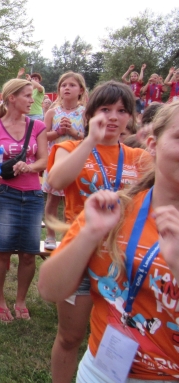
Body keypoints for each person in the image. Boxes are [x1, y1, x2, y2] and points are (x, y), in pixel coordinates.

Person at [39, 101, 179, 382]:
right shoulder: (114, 211)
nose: (113, 117)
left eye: (122, 111)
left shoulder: (133, 157)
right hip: (103, 370)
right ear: (153, 144)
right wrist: (89, 234)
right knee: (69, 337)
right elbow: (49, 289)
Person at [0, 78, 47, 322]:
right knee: (2, 251)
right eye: (27, 96)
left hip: (32, 195)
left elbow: (44, 160)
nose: (32, 100)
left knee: (29, 253)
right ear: (12, 98)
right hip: (4, 195)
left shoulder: (37, 126)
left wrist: (30, 167)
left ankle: (21, 301)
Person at [42, 72, 87, 250]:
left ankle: (71, 236)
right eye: (63, 85)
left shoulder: (85, 113)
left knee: (75, 201)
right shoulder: (52, 112)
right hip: (56, 162)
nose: (67, 88)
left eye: (72, 85)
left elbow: (90, 137)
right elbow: (43, 136)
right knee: (52, 200)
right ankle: (50, 236)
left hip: (78, 162)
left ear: (81, 90)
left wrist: (74, 133)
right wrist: (58, 132)